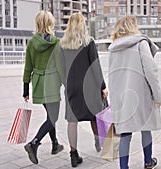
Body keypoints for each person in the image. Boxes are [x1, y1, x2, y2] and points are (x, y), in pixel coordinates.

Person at [53, 13, 108, 168]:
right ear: (83, 25)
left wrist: (66, 83)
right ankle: (98, 142)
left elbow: (61, 68)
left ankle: (73, 154)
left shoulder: (62, 44)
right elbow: (95, 66)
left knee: (72, 120)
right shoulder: (88, 42)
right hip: (89, 87)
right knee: (95, 115)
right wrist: (103, 86)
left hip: (71, 86)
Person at [108, 16, 161, 169]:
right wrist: (157, 96)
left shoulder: (114, 47)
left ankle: (124, 167)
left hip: (122, 97)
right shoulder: (141, 43)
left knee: (125, 133)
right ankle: (148, 161)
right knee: (146, 127)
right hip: (142, 94)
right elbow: (151, 71)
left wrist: (114, 99)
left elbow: (112, 75)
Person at [22, 11, 64, 164]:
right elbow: (61, 66)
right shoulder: (56, 42)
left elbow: (28, 67)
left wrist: (25, 89)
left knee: (50, 116)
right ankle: (34, 143)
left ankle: (55, 145)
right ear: (50, 24)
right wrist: (67, 85)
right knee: (53, 117)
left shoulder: (32, 42)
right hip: (52, 84)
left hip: (39, 84)